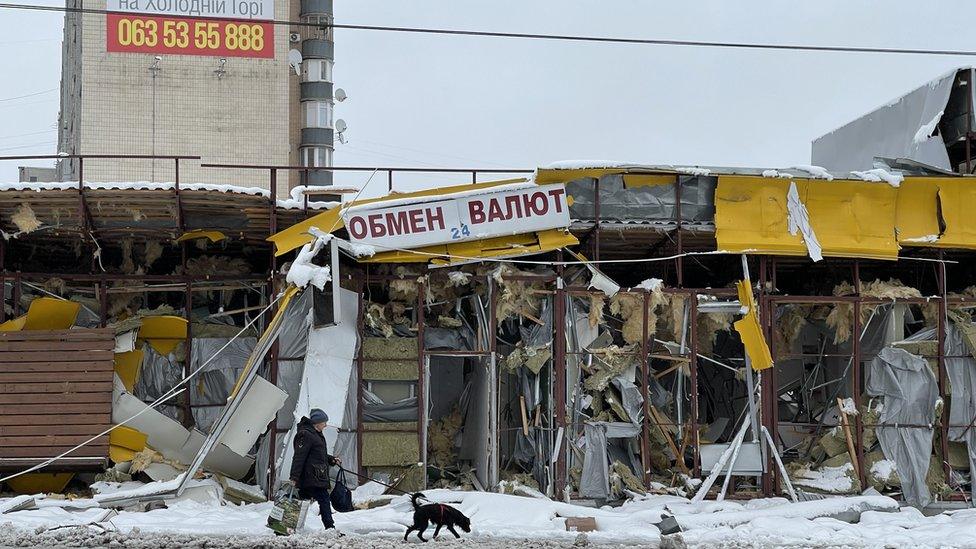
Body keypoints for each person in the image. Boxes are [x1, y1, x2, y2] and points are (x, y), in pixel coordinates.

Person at [287, 408, 341, 530]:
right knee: (324, 499)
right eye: (324, 422)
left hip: (315, 475)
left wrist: (331, 459)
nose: (326, 425)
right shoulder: (306, 435)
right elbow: (299, 457)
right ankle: (330, 527)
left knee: (301, 502)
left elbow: (317, 454)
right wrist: (294, 477)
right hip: (310, 476)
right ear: (317, 423)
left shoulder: (315, 434)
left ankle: (289, 526)